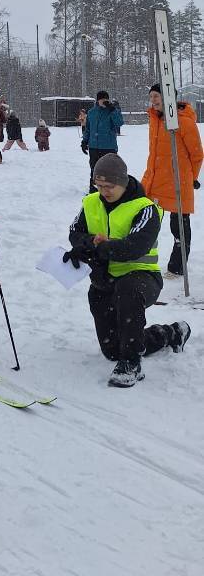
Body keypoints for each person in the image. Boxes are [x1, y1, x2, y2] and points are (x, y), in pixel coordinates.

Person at [66, 152, 191, 387]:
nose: (104, 191)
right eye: (99, 184)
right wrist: (85, 246)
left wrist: (101, 247)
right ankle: (170, 334)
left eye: (109, 185)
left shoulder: (145, 208)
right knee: (113, 350)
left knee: (128, 291)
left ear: (123, 182)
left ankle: (131, 364)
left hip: (142, 277)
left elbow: (134, 247)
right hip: (104, 280)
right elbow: (75, 232)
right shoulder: (90, 203)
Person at [142, 84, 202, 278]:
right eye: (151, 96)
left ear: (169, 97)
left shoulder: (184, 122)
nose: (153, 100)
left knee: (179, 227)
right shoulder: (154, 120)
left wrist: (191, 178)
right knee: (146, 222)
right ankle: (143, 262)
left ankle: (177, 267)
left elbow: (197, 154)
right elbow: (154, 154)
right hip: (154, 180)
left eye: (156, 96)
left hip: (178, 182)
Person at [81, 90, 124, 192]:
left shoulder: (112, 111)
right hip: (94, 147)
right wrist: (84, 141)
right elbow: (88, 129)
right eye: (102, 99)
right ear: (98, 100)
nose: (104, 101)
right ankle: (94, 190)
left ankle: (110, 190)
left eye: (106, 99)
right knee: (94, 169)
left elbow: (119, 123)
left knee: (109, 170)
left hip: (109, 147)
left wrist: (113, 110)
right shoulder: (91, 112)